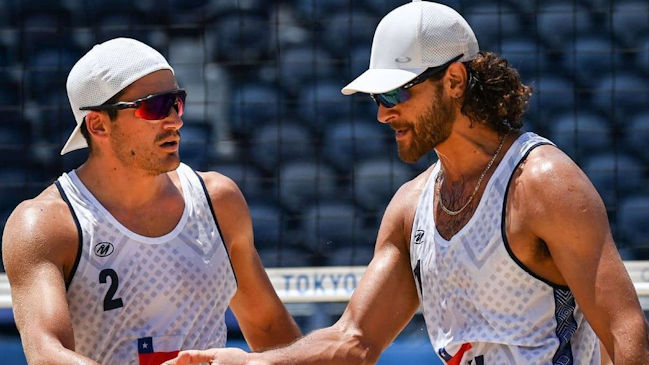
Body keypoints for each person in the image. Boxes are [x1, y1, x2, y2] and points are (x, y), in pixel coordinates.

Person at [164, 1, 649, 364]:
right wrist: (252, 362)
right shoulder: (409, 205)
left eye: (397, 91)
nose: (382, 112)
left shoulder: (543, 182)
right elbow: (354, 341)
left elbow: (624, 329)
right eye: (377, 95)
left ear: (455, 81)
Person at [1, 37, 301, 365]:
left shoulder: (218, 200)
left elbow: (270, 331)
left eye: (176, 102)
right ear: (98, 124)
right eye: (154, 106)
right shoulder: (45, 224)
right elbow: (46, 355)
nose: (175, 120)